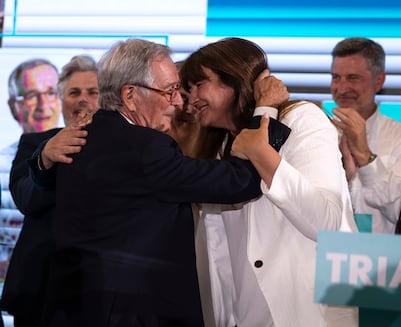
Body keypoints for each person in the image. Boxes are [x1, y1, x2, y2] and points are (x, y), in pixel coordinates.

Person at [27, 38, 290, 327]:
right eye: (169, 91)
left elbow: (47, 182)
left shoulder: (78, 137)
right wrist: (266, 111)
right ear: (130, 95)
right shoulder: (146, 148)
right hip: (132, 315)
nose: (178, 102)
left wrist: (41, 160)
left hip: (73, 311)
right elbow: (242, 181)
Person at [179, 37, 358, 326]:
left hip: (308, 313)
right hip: (247, 316)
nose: (191, 98)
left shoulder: (301, 119)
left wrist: (261, 152)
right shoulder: (218, 146)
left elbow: (325, 222)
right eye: (187, 90)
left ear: (234, 79)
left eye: (199, 84)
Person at [0, 55, 99, 327]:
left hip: (98, 289)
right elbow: (25, 198)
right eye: (74, 92)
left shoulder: (125, 147)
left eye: (93, 92)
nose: (83, 99)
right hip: (39, 292)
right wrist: (45, 159)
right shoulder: (34, 143)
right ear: (61, 99)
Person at [330, 37, 401, 234]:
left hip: (379, 262)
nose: (341, 89)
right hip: (320, 256)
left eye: (352, 78)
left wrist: (365, 157)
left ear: (379, 81)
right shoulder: (319, 135)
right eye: (336, 77)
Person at [0, 58, 61, 292]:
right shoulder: (4, 162)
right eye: (31, 95)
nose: (43, 105)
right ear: (14, 107)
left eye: (50, 93)